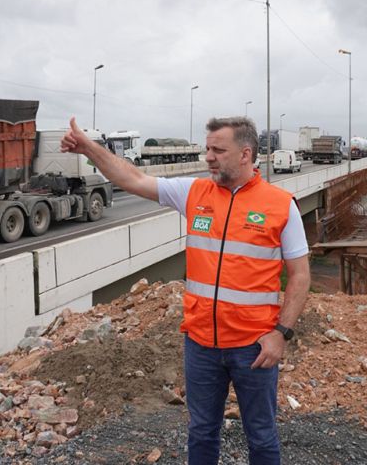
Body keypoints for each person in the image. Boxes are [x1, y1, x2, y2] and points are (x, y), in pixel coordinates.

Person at [61, 116, 310, 465]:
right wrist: (89, 148)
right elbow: (130, 178)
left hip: (253, 347)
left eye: (218, 150)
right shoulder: (194, 193)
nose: (208, 156)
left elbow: (299, 275)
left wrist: (281, 334)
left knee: (262, 434)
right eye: (207, 148)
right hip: (201, 345)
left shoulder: (281, 205)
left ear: (245, 154)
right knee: (202, 431)